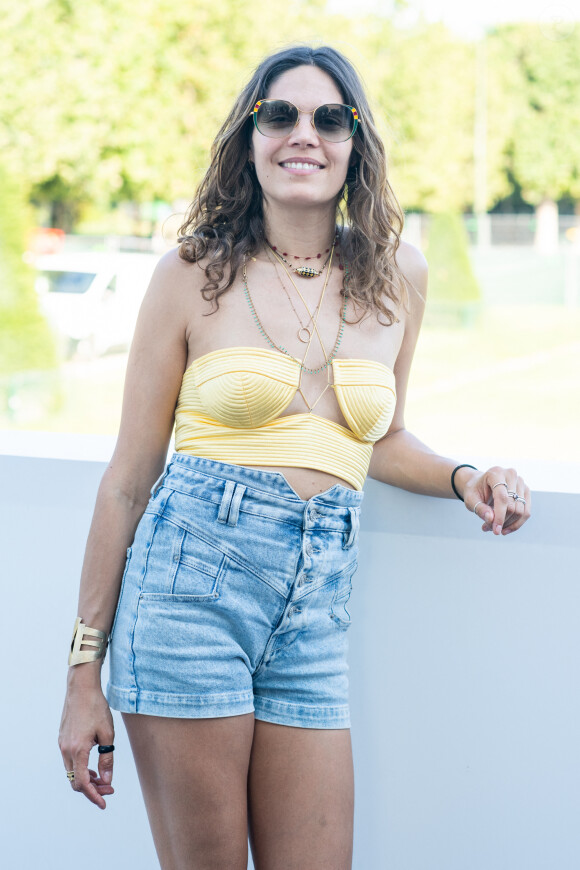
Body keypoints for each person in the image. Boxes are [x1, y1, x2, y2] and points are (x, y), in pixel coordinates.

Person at [58, 44, 531, 870]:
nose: (302, 134)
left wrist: (466, 478)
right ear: (250, 139)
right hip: (188, 595)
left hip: (317, 607)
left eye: (329, 118)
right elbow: (129, 480)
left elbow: (378, 439)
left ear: (356, 144)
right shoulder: (192, 273)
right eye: (279, 115)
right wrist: (80, 677)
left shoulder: (397, 277)